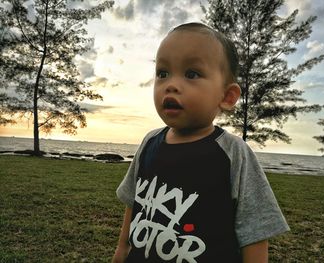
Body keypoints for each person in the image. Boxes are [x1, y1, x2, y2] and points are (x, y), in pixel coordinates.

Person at [112, 22, 290, 263]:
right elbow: (134, 202)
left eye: (191, 74)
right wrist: (123, 248)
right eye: (162, 73)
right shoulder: (150, 142)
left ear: (227, 97)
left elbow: (255, 231)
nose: (171, 85)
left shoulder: (233, 153)